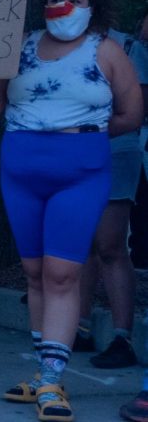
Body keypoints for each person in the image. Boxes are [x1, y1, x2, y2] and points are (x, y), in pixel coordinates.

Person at [0, 0, 142, 422]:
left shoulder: (109, 50)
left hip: (80, 171)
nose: (64, 6)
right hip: (20, 169)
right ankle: (41, 374)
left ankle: (54, 379)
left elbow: (131, 115)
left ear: (93, 5)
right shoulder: (18, 46)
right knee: (35, 272)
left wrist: (80, 134)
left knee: (61, 274)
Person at [75, 24, 148, 368]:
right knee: (83, 243)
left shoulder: (127, 46)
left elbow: (137, 109)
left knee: (110, 244)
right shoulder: (60, 45)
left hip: (115, 151)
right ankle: (80, 326)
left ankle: (123, 338)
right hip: (73, 154)